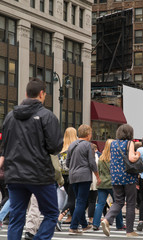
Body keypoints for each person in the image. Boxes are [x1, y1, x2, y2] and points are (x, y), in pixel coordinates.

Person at [2, 78, 63, 240]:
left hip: (14, 174)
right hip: (40, 174)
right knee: (51, 213)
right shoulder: (47, 116)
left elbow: (4, 146)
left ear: (25, 94)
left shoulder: (9, 117)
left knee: (16, 216)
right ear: (42, 94)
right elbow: (55, 147)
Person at [101, 124, 141, 237]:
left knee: (118, 201)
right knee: (130, 203)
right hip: (128, 177)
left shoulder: (113, 143)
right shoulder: (130, 143)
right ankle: (129, 231)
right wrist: (137, 155)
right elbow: (131, 158)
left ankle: (107, 219)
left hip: (115, 177)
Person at [66, 124, 101, 235]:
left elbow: (67, 163)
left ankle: (84, 225)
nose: (91, 135)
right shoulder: (88, 146)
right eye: (90, 133)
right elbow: (92, 163)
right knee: (82, 202)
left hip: (73, 176)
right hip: (84, 176)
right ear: (87, 134)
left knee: (79, 201)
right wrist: (97, 176)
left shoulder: (72, 145)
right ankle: (73, 226)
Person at [92, 139, 125, 231]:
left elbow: (99, 171)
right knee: (117, 203)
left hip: (102, 183)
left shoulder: (101, 158)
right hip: (113, 183)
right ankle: (119, 224)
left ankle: (95, 224)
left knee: (100, 204)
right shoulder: (115, 158)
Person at [56, 127, 78, 231]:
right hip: (73, 174)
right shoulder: (75, 146)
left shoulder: (61, 146)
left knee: (71, 197)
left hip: (63, 175)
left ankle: (74, 221)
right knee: (72, 199)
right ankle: (59, 218)